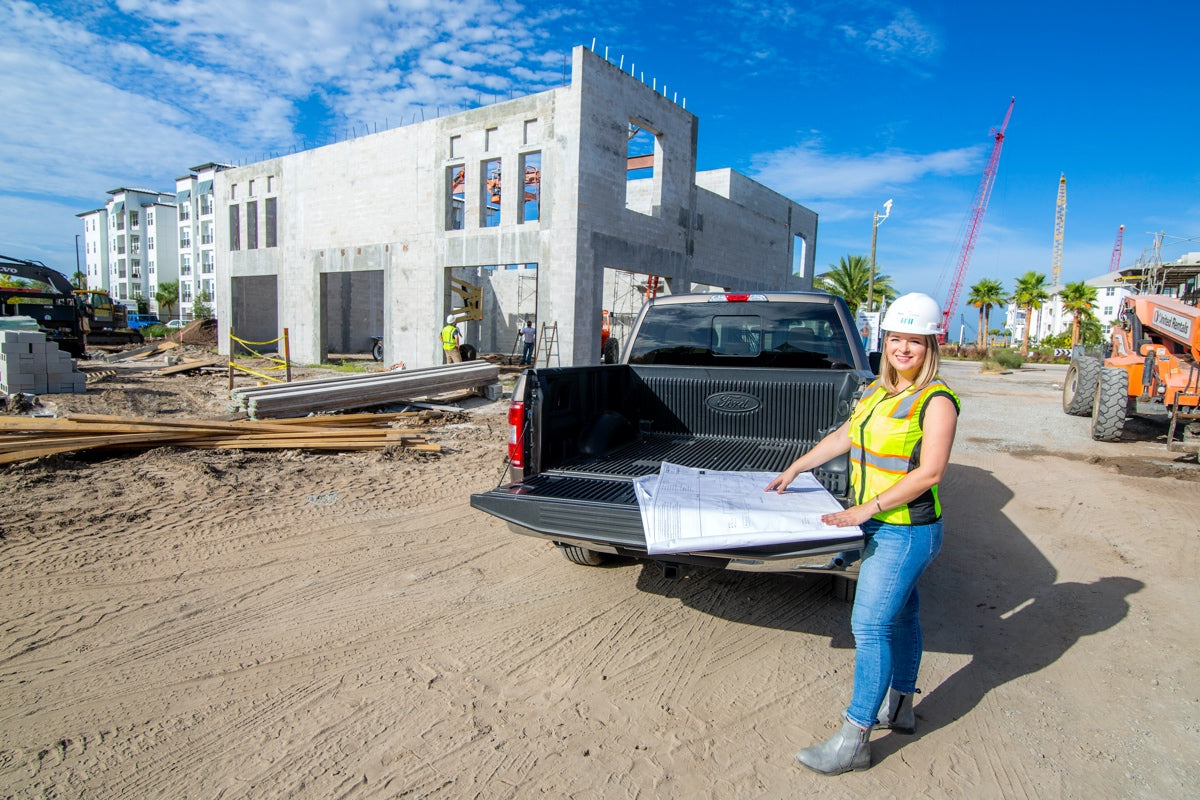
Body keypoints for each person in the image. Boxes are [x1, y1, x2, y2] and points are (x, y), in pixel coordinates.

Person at [764, 292, 960, 775]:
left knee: (870, 627)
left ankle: (854, 739)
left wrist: (863, 511)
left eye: (915, 341)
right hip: (880, 523)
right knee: (905, 614)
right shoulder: (878, 391)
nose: (903, 349)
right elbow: (844, 437)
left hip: (907, 530)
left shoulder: (937, 401)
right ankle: (901, 706)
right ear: (885, 341)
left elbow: (930, 473)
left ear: (931, 345)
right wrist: (796, 468)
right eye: (896, 338)